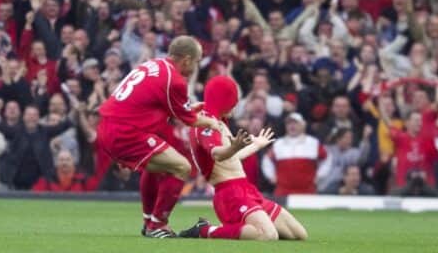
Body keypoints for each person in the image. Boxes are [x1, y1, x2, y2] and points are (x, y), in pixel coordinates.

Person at [97, 35, 220, 238]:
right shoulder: (176, 80)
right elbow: (190, 120)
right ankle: (158, 225)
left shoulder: (153, 65)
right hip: (125, 131)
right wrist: (214, 122)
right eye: (196, 62)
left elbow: (167, 106)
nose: (195, 67)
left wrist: (192, 109)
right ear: (187, 59)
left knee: (158, 167)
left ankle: (149, 222)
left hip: (109, 126)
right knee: (182, 167)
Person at [180, 75, 307, 241]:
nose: (236, 104)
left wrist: (256, 145)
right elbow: (217, 154)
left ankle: (240, 229)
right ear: (224, 99)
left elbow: (232, 157)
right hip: (230, 194)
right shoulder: (205, 124)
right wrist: (234, 146)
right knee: (267, 235)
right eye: (233, 99)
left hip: (245, 189)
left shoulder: (217, 121)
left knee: (298, 235)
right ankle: (205, 230)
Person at [261, 112, 328, 196]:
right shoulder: (278, 144)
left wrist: (320, 176)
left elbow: (327, 159)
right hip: (283, 191)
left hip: (307, 191)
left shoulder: (313, 143)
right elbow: (267, 160)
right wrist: (271, 176)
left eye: (295, 123)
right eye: (289, 123)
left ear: (303, 125)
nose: (292, 126)